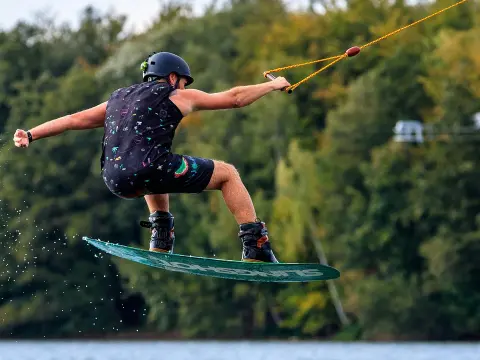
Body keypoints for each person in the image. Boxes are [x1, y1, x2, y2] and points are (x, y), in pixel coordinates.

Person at [13, 52, 290, 263]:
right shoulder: (175, 95)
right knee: (227, 173)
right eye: (182, 82)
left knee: (151, 166)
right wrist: (273, 85)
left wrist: (31, 133)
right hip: (151, 169)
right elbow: (235, 98)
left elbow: (73, 119)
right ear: (172, 78)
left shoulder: (117, 101)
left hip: (115, 180)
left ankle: (160, 237)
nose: (183, 88)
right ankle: (256, 244)